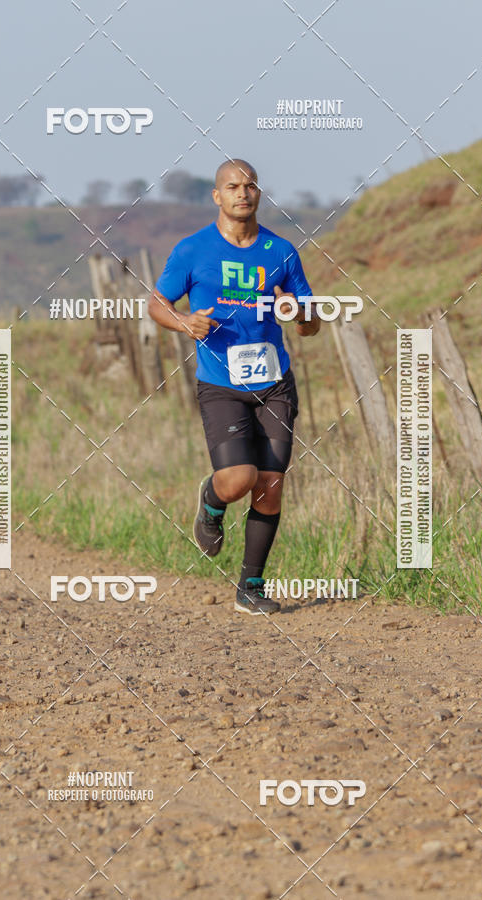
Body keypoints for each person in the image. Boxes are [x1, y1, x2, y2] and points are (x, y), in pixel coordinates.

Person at [148, 159, 320, 615]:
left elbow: (310, 325)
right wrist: (184, 321)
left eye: (250, 185)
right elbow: (156, 303)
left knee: (270, 484)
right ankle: (211, 499)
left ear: (258, 194)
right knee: (239, 479)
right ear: (217, 197)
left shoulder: (281, 252)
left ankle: (251, 588)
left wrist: (298, 314)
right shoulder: (192, 250)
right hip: (221, 384)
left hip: (274, 383)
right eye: (233, 186)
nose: (243, 193)